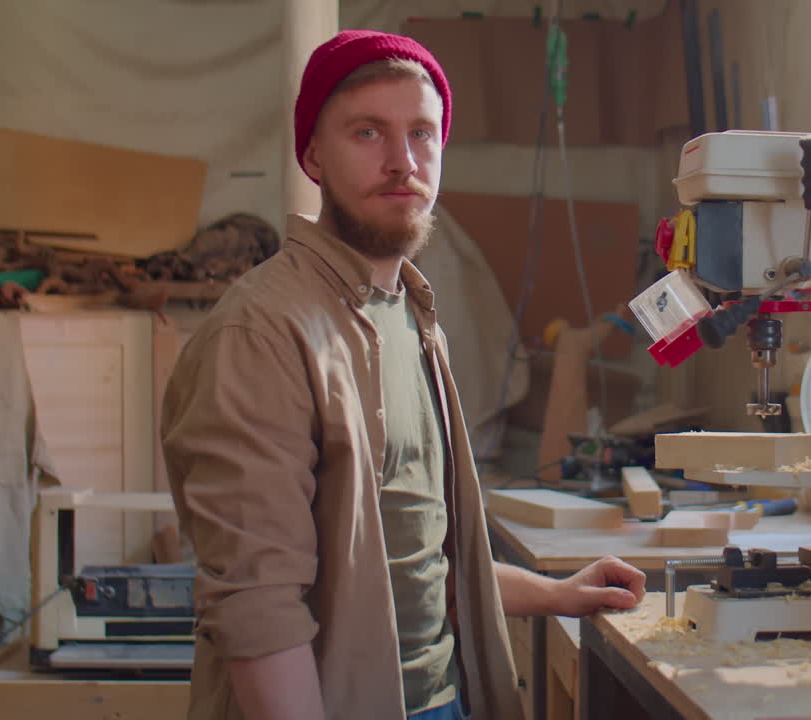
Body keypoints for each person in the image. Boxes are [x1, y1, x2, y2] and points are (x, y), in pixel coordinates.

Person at [161, 29, 646, 720]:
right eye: (367, 132)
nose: (402, 161)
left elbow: (414, 557)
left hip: (442, 698)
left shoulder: (407, 311)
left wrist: (557, 593)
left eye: (422, 133)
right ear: (313, 155)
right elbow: (257, 610)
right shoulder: (262, 334)